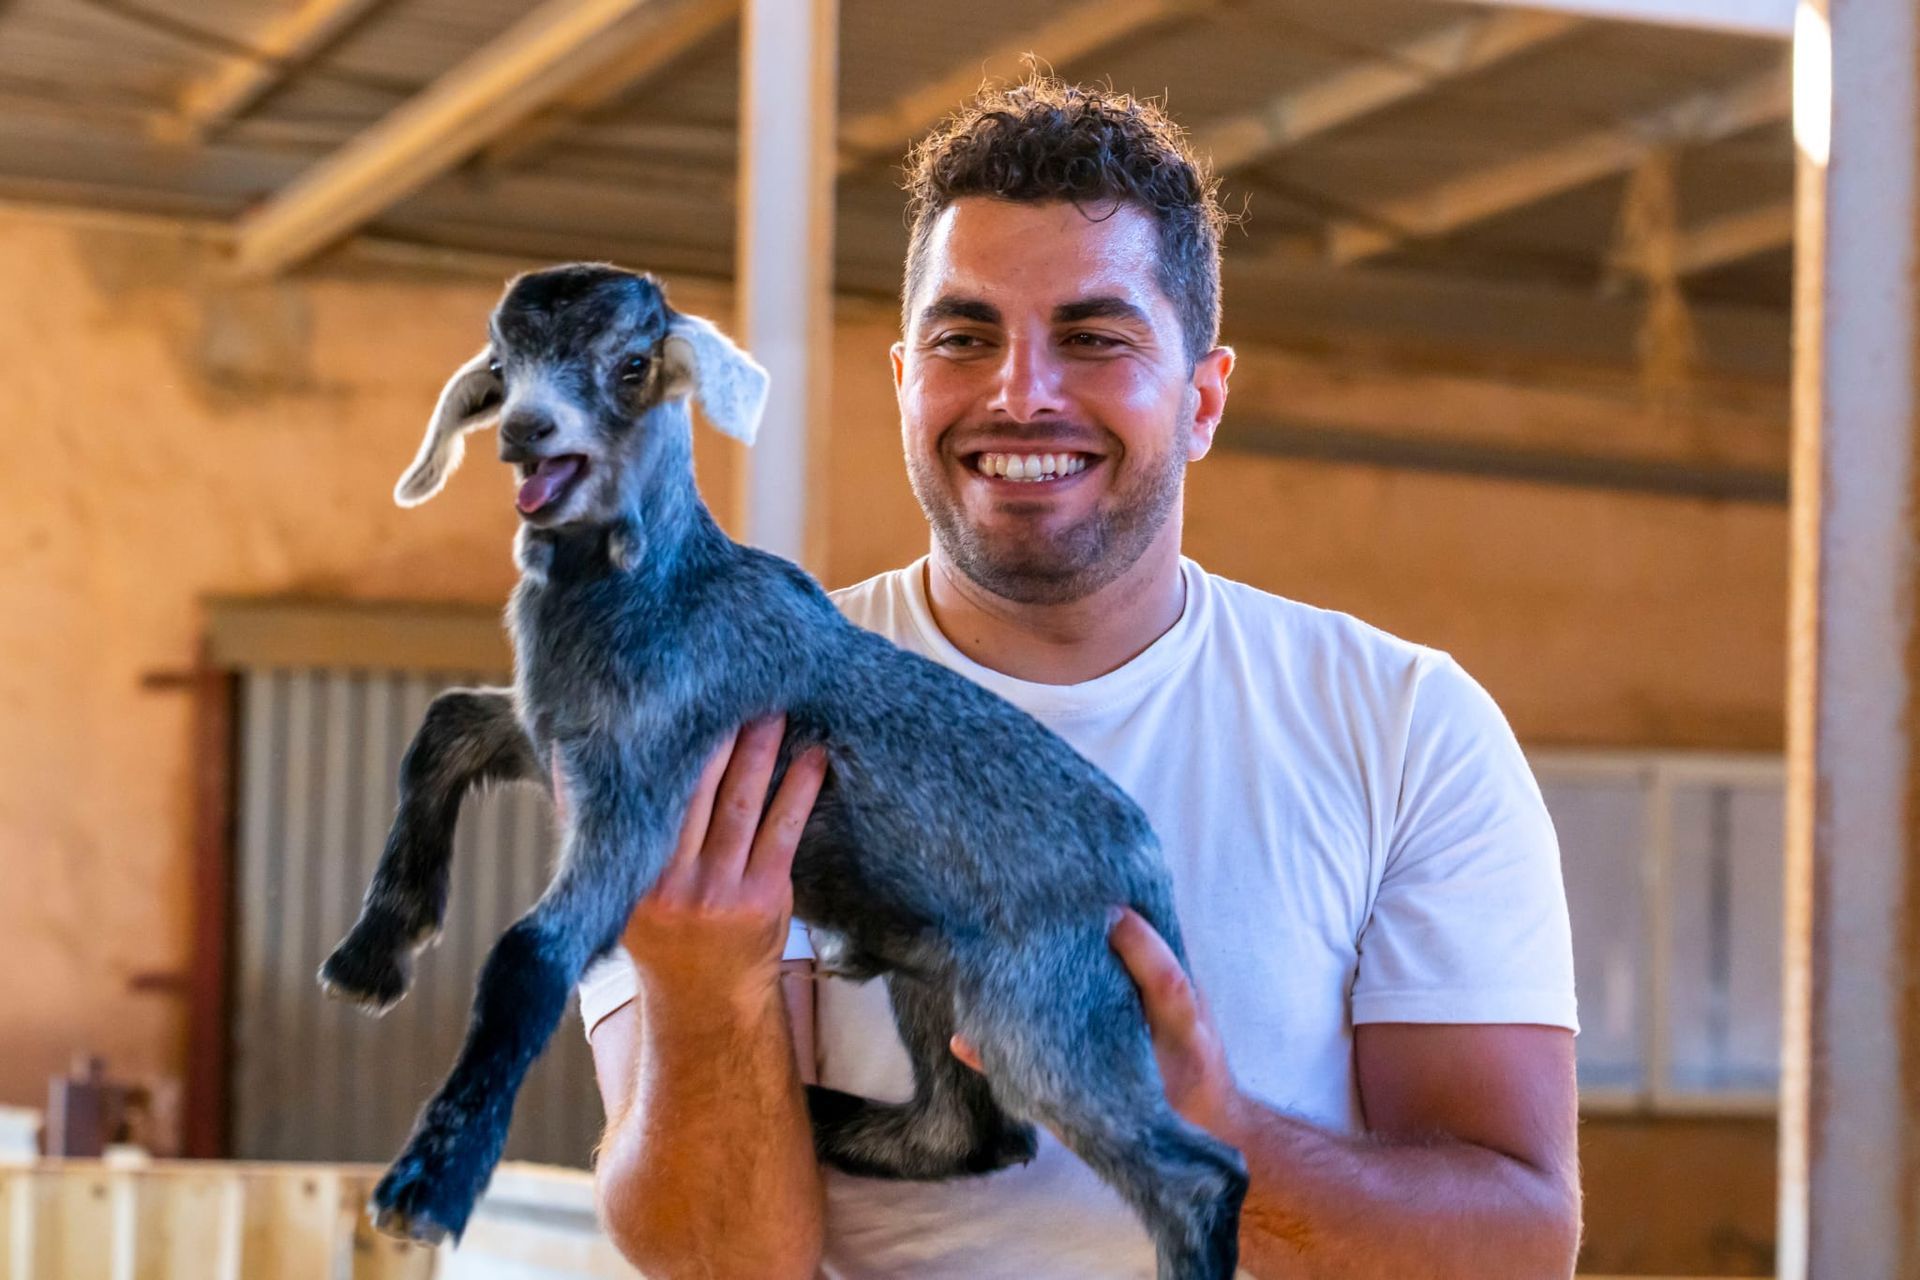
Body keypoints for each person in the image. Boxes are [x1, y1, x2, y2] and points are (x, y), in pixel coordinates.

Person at [577, 77, 1582, 1279]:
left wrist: (1210, 1139)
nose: (1021, 392)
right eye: (964, 337)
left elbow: (1519, 1242)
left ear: (1203, 399)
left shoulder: (1403, 727)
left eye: (1095, 337)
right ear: (903, 381)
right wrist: (704, 993)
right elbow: (720, 1260)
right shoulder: (721, 718)